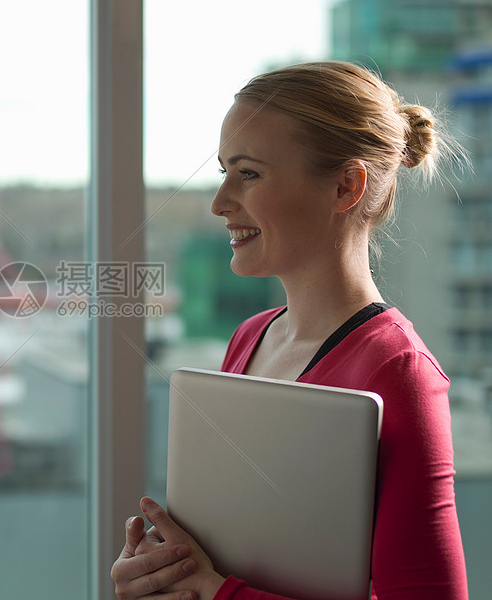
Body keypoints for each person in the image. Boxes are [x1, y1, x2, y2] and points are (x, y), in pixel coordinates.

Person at [110, 61, 469, 600]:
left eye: (249, 174)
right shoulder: (251, 337)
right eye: (223, 172)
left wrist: (217, 594)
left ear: (347, 186)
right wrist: (167, 573)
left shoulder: (400, 374)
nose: (220, 202)